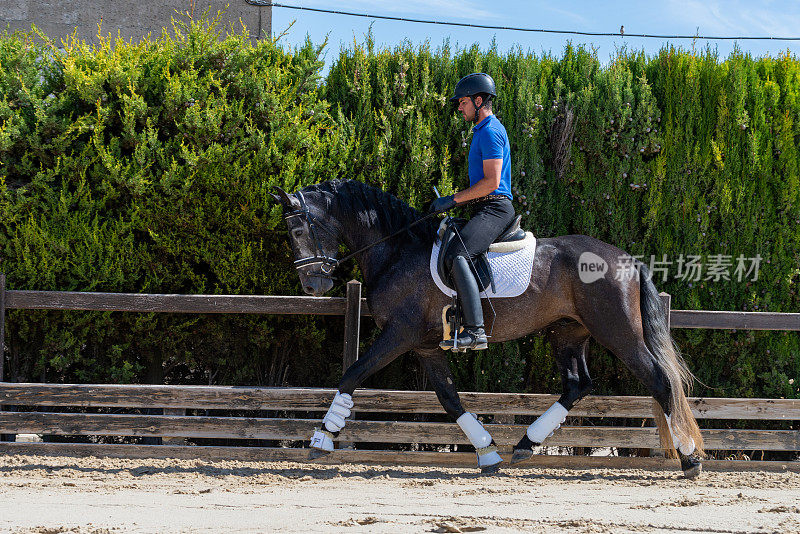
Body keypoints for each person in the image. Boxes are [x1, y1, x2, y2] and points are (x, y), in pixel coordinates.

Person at [429, 72, 515, 351]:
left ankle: (476, 331)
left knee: (459, 253)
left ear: (479, 101)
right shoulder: (482, 131)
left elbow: (491, 182)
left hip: (495, 207)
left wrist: (452, 200)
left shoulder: (490, 130)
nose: (459, 107)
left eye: (463, 102)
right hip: (484, 207)